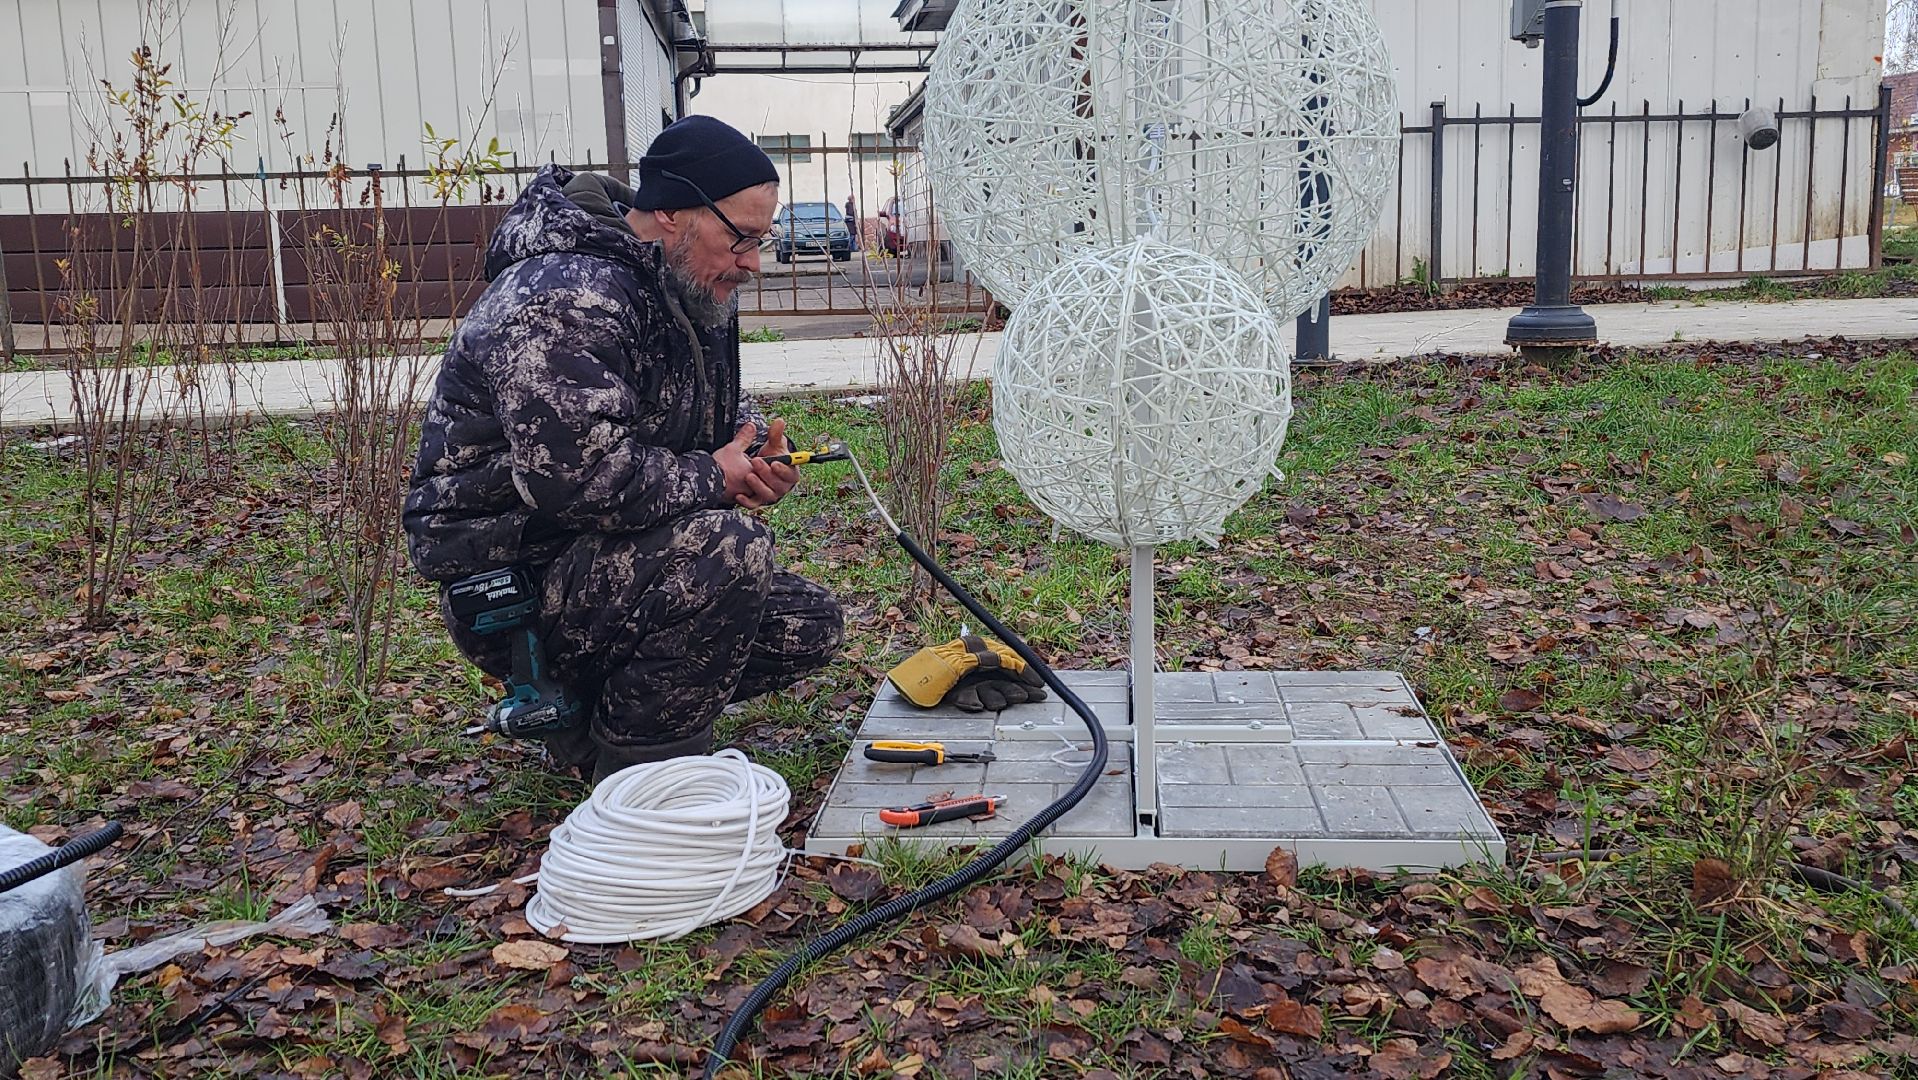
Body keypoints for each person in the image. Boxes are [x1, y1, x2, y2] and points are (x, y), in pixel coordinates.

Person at [403, 115, 845, 783]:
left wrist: (751, 450)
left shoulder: (671, 282)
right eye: (742, 239)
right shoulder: (564, 298)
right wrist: (713, 478)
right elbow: (577, 479)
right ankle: (640, 780)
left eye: (762, 240)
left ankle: (591, 718)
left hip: (595, 557)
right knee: (727, 550)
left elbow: (697, 405)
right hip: (514, 581)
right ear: (671, 213)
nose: (753, 263)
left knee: (806, 624)